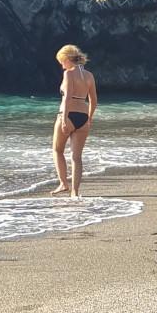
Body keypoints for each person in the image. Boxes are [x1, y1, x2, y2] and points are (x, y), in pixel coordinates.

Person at [51, 44, 97, 198]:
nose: (61, 64)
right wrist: (89, 118)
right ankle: (75, 192)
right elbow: (94, 101)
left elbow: (67, 98)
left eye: (61, 61)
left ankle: (63, 183)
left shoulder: (68, 74)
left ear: (67, 59)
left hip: (68, 114)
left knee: (57, 150)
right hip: (83, 117)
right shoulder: (89, 76)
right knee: (76, 157)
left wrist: (64, 119)